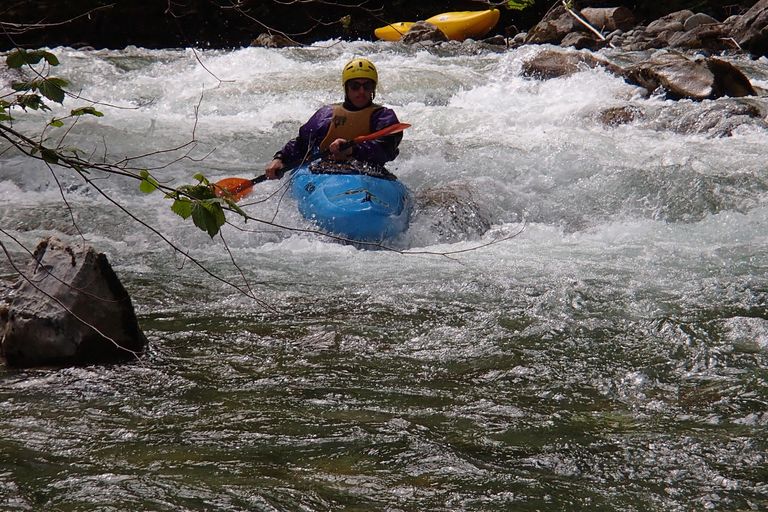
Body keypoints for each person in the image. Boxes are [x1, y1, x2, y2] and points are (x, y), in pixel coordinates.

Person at [264, 57, 403, 180]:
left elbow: (386, 150)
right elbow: (302, 144)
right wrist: (280, 159)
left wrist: (352, 150)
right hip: (326, 172)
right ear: (346, 88)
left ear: (373, 88)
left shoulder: (384, 117)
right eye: (355, 86)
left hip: (370, 174)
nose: (361, 91)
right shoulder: (326, 115)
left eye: (367, 86)